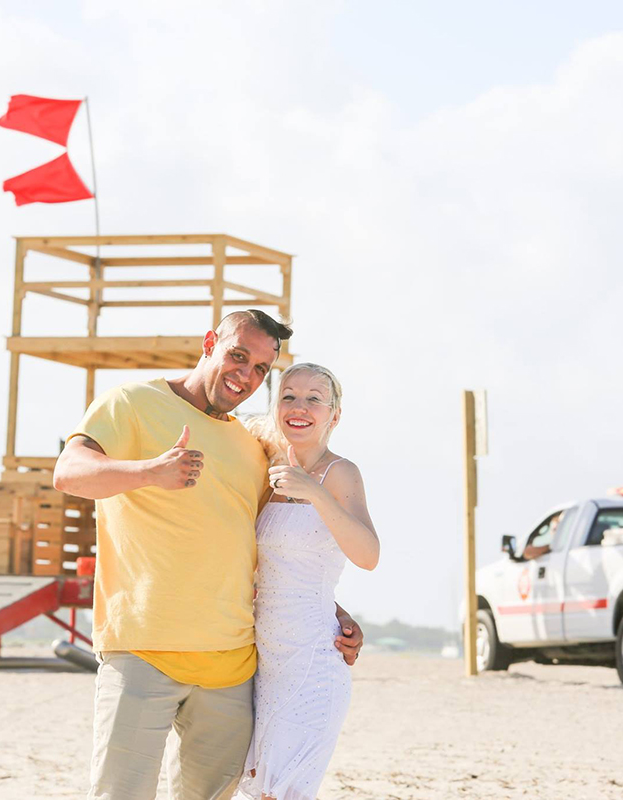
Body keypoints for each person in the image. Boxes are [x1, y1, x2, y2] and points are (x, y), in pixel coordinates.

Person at [52, 310, 364, 800]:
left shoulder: (251, 446)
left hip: (231, 667)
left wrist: (333, 612)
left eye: (260, 368)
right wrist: (149, 472)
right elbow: (68, 473)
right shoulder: (133, 402)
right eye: (237, 355)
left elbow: (262, 548)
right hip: (143, 648)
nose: (245, 375)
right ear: (208, 344)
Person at [237, 363, 379, 800]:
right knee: (259, 789)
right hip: (262, 661)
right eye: (289, 396)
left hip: (312, 660)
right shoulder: (266, 470)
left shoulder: (341, 473)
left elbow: (368, 555)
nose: (300, 407)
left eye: (314, 399)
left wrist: (313, 491)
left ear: (334, 415)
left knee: (284, 791)